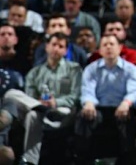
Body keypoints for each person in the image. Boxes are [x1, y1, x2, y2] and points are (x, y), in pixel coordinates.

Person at [2, 32, 82, 165]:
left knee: (51, 111)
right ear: (47, 47)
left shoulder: (74, 69)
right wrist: (39, 103)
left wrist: (55, 102)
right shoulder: (35, 72)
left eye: (61, 46)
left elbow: (75, 96)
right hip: (40, 112)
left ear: (65, 51)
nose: (56, 48)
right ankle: (30, 161)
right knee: (12, 95)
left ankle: (42, 109)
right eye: (54, 44)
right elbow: (28, 96)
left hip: (62, 112)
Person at [75, 34, 136, 165]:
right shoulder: (91, 69)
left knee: (129, 119)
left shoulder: (131, 69)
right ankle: (82, 159)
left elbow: (135, 91)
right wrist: (89, 103)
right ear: (100, 50)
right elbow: (87, 90)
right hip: (98, 109)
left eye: (112, 44)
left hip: (122, 108)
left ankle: (127, 160)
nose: (108, 47)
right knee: (83, 116)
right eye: (105, 45)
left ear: (120, 48)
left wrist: (126, 103)